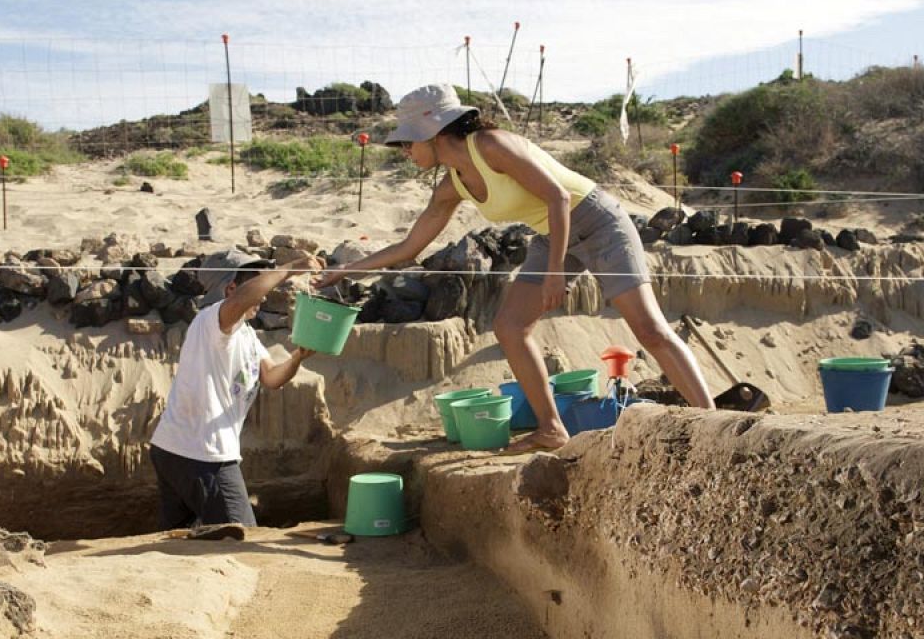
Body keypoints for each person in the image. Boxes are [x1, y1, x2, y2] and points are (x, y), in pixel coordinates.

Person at [315, 83, 713, 453]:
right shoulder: (453, 185)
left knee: (650, 329)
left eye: (406, 141)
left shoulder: (491, 145)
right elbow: (409, 246)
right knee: (510, 326)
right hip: (552, 234)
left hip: (597, 222)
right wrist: (348, 270)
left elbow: (558, 196)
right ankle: (552, 428)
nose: (404, 150)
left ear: (432, 131)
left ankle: (713, 424)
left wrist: (555, 272)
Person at [149, 250, 318, 530]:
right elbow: (243, 299)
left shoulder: (246, 334)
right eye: (257, 285)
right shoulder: (211, 321)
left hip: (178, 449)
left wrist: (298, 358)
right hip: (201, 454)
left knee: (179, 544)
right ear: (230, 289)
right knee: (242, 537)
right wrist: (289, 269)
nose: (262, 297)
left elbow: (272, 378)